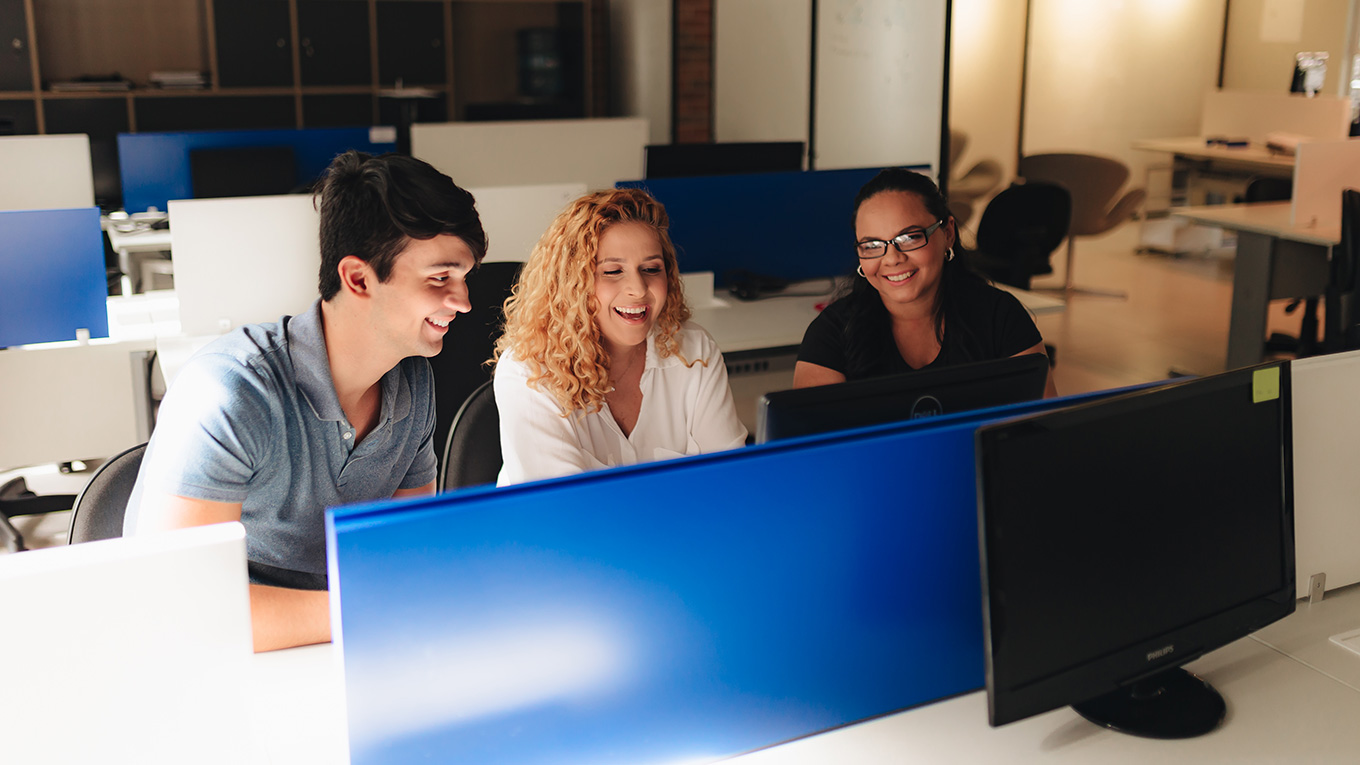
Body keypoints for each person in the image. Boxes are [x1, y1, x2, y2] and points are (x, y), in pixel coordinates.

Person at [124, 151, 487, 652]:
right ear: (358, 278)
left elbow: (409, 556)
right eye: (440, 278)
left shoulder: (412, 385)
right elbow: (183, 606)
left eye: (464, 277)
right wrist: (379, 608)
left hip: (337, 648)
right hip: (216, 664)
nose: (464, 300)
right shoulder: (232, 392)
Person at [493, 188, 747, 485]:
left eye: (651, 269)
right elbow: (565, 513)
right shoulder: (530, 371)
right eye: (613, 271)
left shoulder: (693, 351)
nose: (638, 289)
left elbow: (728, 480)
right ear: (571, 284)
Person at [794, 168, 1056, 395]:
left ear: (948, 233)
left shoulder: (1001, 317)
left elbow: (1041, 428)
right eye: (872, 245)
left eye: (910, 237)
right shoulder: (832, 333)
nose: (892, 258)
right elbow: (814, 447)